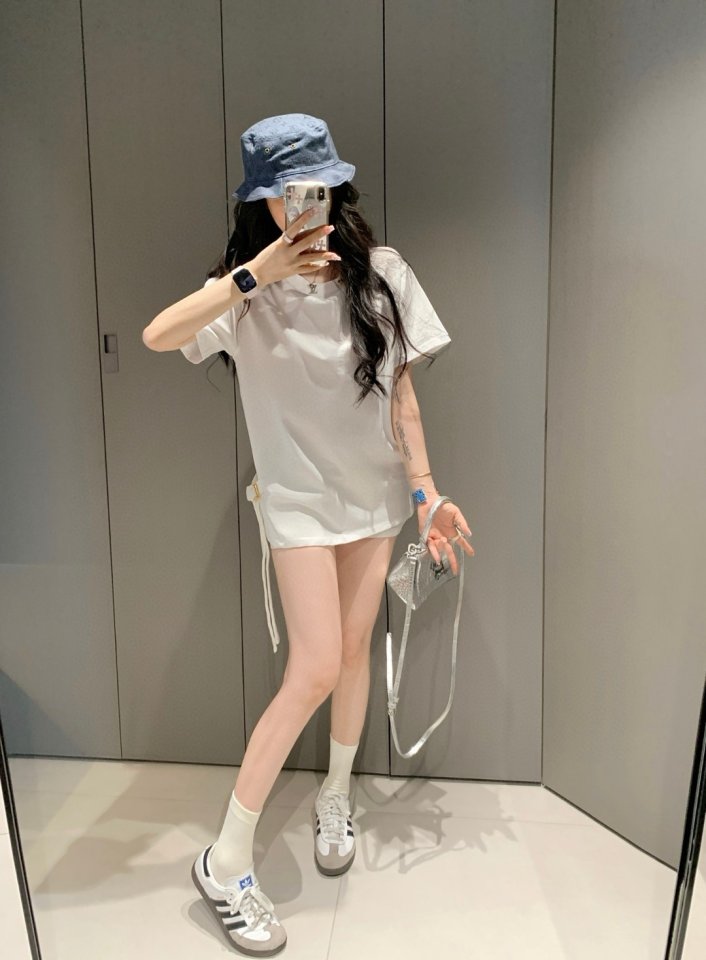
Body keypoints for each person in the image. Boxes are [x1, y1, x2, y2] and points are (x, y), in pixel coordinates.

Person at [143, 113, 474, 957]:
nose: (303, 204)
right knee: (316, 666)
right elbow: (159, 335)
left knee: (355, 651)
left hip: (373, 498)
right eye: (286, 193)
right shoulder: (243, 292)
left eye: (316, 187)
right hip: (295, 504)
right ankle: (224, 862)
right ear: (261, 201)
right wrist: (254, 274)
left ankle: (335, 792)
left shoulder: (383, 273)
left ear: (335, 187)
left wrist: (427, 493)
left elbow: (402, 397)